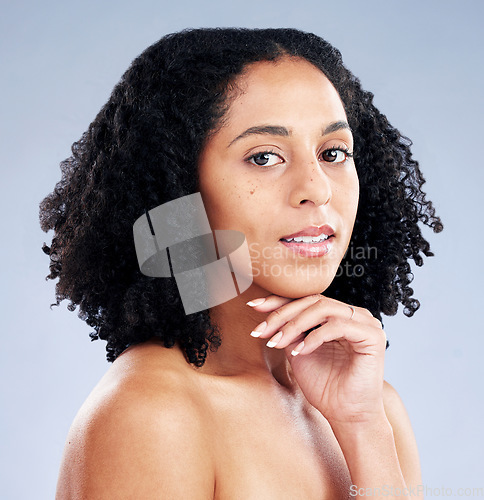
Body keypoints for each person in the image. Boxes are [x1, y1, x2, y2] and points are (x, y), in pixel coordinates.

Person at [39, 27, 443, 499]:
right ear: (179, 189)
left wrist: (363, 429)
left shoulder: (375, 409)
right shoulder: (153, 412)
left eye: (333, 153)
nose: (317, 189)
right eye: (265, 157)